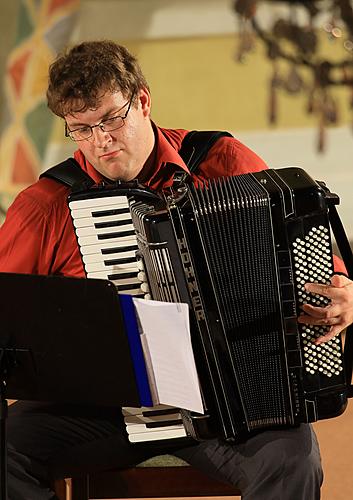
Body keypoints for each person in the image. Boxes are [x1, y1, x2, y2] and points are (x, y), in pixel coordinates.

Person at [1, 40, 353, 500]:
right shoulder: (46, 206)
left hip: (232, 402)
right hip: (107, 411)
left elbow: (318, 261)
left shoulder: (219, 160)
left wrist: (343, 292)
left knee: (293, 460)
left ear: (142, 100)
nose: (101, 141)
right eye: (82, 129)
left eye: (111, 119)